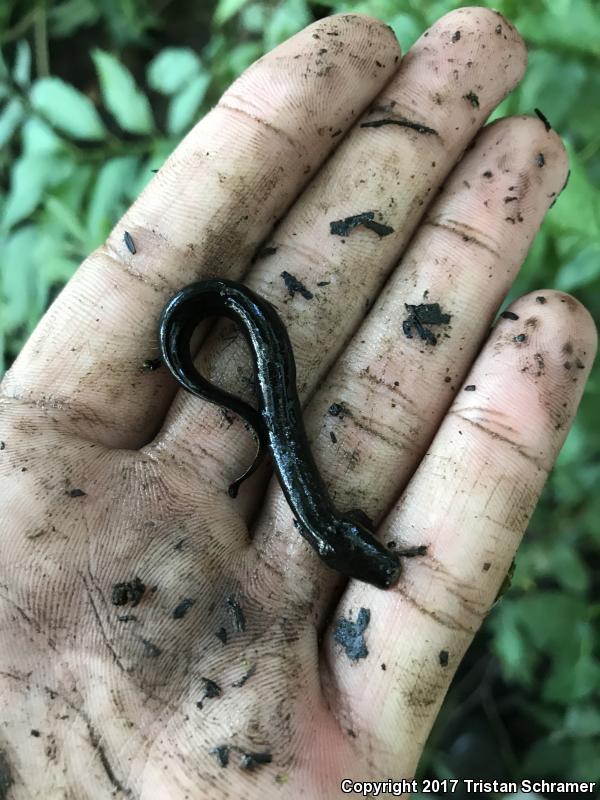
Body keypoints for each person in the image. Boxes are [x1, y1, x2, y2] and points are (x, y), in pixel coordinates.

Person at [0, 7, 596, 798]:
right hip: (241, 332)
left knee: (266, 357)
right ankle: (219, 329)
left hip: (251, 340)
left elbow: (345, 535)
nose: (378, 556)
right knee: (261, 354)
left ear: (355, 542)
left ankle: (222, 328)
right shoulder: (332, 534)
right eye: (375, 555)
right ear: (351, 539)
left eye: (374, 558)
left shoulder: (336, 532)